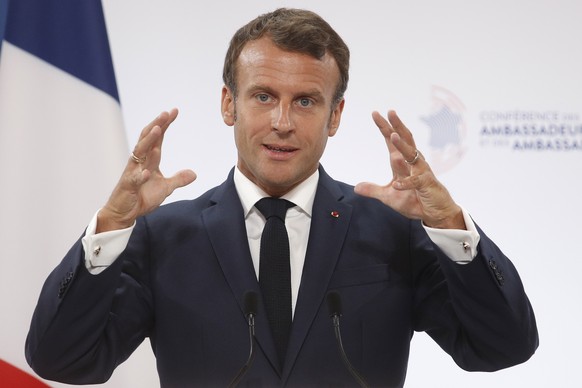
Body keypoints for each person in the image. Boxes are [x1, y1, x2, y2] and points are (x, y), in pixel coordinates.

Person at [25, 8, 538, 387]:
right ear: (229, 103)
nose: (283, 123)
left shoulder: (391, 233)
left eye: (307, 101)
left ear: (335, 116)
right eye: (264, 96)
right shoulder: (164, 235)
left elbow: (501, 348)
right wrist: (112, 225)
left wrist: (448, 222)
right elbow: (62, 360)